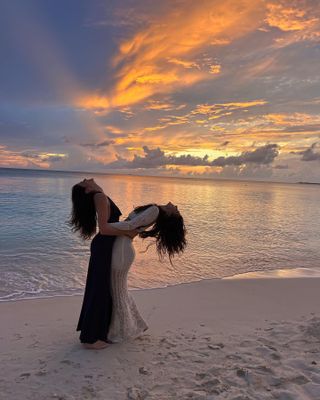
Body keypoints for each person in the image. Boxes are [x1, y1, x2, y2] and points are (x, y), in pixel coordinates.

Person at [69, 178, 138, 350]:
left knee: (100, 287)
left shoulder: (100, 194)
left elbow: (107, 226)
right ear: (86, 190)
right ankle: (91, 339)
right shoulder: (99, 196)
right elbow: (105, 228)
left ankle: (95, 333)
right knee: (100, 289)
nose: (85, 179)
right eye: (83, 182)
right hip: (105, 246)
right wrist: (129, 230)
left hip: (105, 246)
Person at [106, 201, 186, 343]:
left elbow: (130, 225)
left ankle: (122, 331)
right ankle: (133, 326)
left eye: (177, 210)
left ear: (169, 214)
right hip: (123, 247)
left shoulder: (154, 210)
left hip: (122, 249)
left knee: (118, 292)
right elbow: (131, 225)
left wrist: (105, 227)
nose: (176, 206)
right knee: (120, 291)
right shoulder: (154, 210)